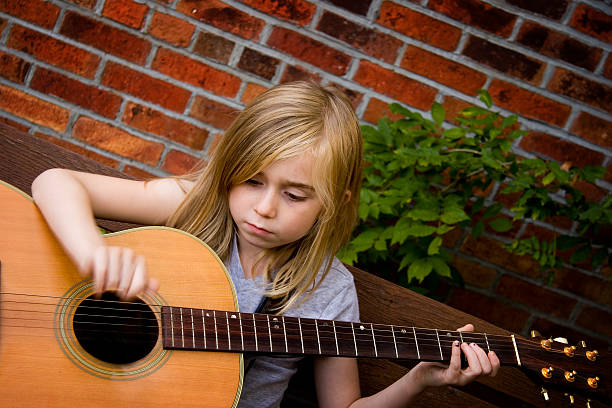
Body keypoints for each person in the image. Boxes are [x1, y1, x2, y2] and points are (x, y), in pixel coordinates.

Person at [32, 81, 499, 407]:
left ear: (336, 201)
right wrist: (91, 251)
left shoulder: (327, 292)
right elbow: (55, 182)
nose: (264, 208)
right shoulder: (193, 208)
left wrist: (419, 378)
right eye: (252, 181)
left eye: (294, 195)